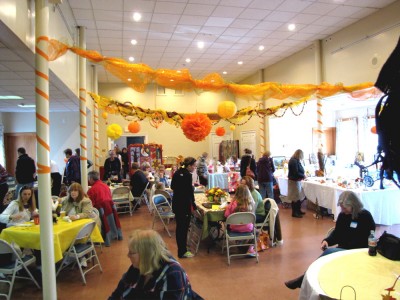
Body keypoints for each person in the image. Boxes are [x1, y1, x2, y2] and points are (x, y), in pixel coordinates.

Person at [285, 190, 376, 290]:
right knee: (326, 255)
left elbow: (368, 239)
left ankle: (302, 279)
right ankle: (304, 279)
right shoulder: (343, 216)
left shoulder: (365, 217)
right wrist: (327, 241)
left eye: (345, 208)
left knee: (328, 253)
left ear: (353, 205)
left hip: (357, 251)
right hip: (343, 249)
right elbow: (337, 233)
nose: (343, 210)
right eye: (341, 208)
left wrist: (346, 247)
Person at [108, 229, 202, 300]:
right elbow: (117, 294)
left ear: (146, 254)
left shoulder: (173, 273)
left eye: (131, 253)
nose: (128, 255)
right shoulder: (137, 267)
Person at [171, 157, 197, 259]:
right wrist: (193, 204)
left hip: (177, 204)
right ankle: (182, 251)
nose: (195, 168)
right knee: (183, 228)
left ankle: (181, 249)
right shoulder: (187, 175)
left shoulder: (177, 173)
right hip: (184, 205)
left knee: (180, 228)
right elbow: (189, 192)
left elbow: (173, 186)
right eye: (194, 166)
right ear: (189, 166)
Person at [87, 171, 123, 246]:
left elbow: (90, 204)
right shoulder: (105, 186)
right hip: (110, 208)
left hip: (101, 210)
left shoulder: (92, 190)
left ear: (91, 178)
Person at [224, 184, 256, 257]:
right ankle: (250, 248)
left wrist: (227, 208)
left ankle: (241, 244)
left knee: (228, 225)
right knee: (256, 231)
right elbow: (253, 216)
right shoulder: (251, 203)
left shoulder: (233, 203)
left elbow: (226, 215)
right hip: (248, 228)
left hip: (235, 228)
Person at [287, 149, 306, 218]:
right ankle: (295, 212)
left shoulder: (295, 160)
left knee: (298, 197)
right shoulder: (293, 161)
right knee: (295, 198)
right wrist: (303, 175)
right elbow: (295, 172)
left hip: (296, 181)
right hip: (293, 181)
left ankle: (298, 210)